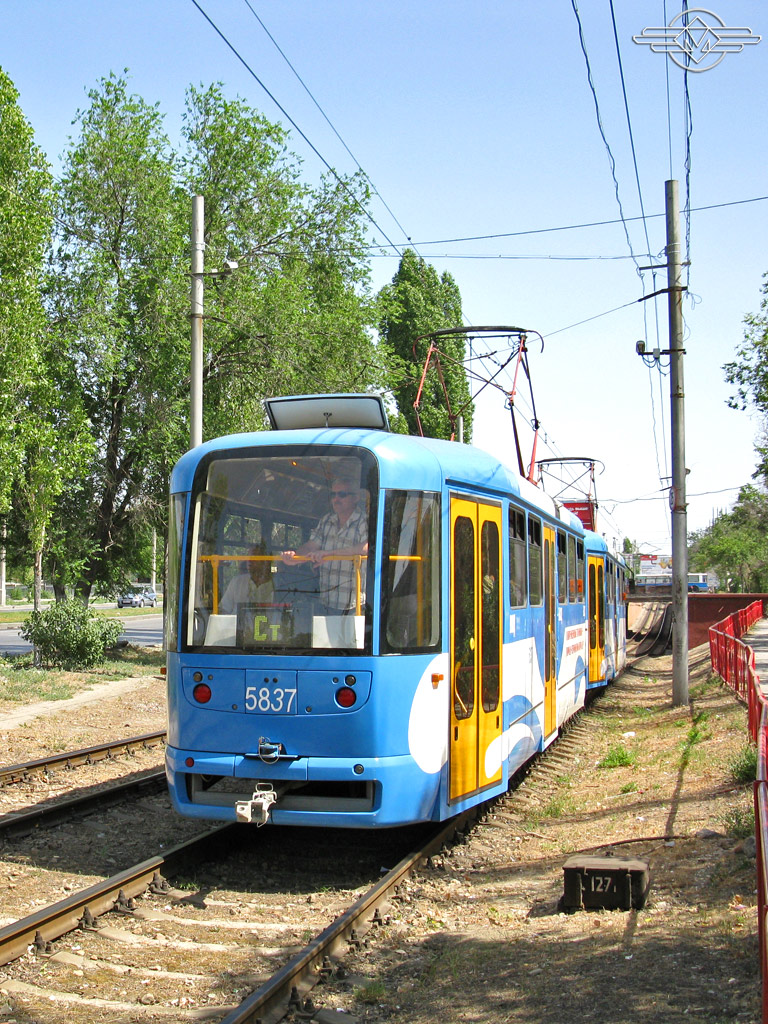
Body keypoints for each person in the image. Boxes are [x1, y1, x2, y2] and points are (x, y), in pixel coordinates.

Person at [281, 476, 368, 612]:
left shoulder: (364, 521)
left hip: (354, 605)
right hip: (326, 602)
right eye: (333, 495)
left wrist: (329, 554)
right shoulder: (326, 520)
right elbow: (311, 546)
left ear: (356, 498)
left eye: (342, 494)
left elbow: (366, 548)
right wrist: (294, 557)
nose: (336, 499)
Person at [219, 544, 273, 614]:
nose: (249, 560)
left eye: (254, 557)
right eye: (248, 556)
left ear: (266, 561)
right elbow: (223, 609)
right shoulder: (237, 582)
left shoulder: (277, 584)